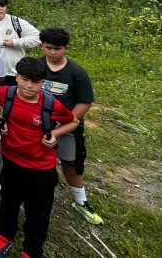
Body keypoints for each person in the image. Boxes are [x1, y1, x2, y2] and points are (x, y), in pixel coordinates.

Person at [0, 58, 79, 258]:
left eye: (36, 82)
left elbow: (73, 121)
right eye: (25, 80)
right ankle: (4, 235)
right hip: (9, 161)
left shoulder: (50, 104)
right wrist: (1, 119)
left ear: (43, 82)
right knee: (8, 201)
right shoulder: (5, 93)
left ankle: (31, 249)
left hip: (40, 168)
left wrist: (55, 134)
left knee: (38, 212)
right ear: (17, 77)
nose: (29, 86)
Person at [38, 27, 102, 225]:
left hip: (65, 126)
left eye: (57, 49)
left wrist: (68, 121)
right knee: (26, 156)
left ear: (65, 48)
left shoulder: (76, 72)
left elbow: (85, 101)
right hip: (36, 123)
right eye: (48, 48)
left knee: (70, 162)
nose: (52, 52)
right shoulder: (37, 66)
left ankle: (81, 201)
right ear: (42, 46)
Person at [0, 0, 40, 87]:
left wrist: (15, 42)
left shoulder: (15, 22)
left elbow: (38, 37)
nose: (0, 9)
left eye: (3, 6)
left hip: (11, 73)